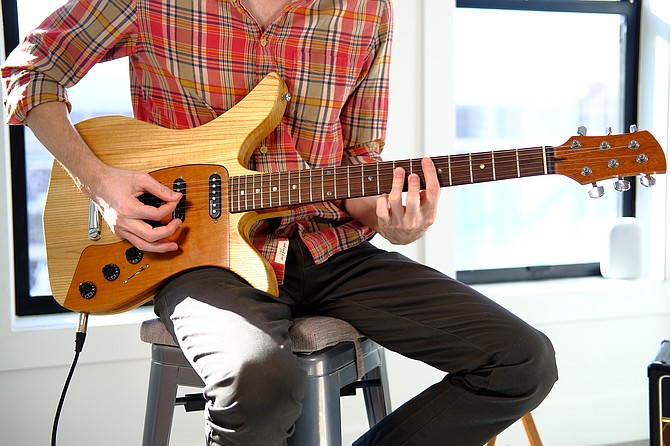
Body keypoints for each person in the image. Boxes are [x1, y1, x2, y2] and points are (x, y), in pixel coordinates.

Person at [2, 0, 558, 444]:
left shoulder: (367, 10)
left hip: (329, 248)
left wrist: (392, 220)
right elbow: (29, 72)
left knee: (522, 361)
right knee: (259, 379)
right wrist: (100, 183)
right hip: (198, 252)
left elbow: (359, 159)